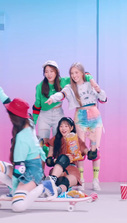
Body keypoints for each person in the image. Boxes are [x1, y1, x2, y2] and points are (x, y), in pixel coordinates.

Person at [0, 74, 57, 212]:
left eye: (10, 113)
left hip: (32, 173)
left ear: (14, 117)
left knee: (17, 206)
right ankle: (21, 189)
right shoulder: (27, 121)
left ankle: (43, 185)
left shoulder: (22, 138)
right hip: (25, 167)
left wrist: (15, 189)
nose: (8, 113)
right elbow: (6, 101)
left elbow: (19, 170)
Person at [46, 62, 107, 191]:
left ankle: (96, 179)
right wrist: (53, 98)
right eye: (72, 73)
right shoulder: (69, 87)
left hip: (94, 116)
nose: (74, 76)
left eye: (76, 73)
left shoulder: (90, 84)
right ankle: (82, 179)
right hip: (80, 116)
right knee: (79, 149)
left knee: (95, 150)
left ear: (82, 73)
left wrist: (98, 89)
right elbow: (61, 95)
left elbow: (103, 98)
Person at [33, 60, 94, 159]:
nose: (49, 74)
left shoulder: (63, 81)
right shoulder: (40, 86)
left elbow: (83, 75)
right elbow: (36, 106)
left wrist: (92, 80)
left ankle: (58, 170)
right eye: (46, 71)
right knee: (43, 145)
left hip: (58, 113)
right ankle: (41, 172)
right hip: (44, 116)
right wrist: (33, 123)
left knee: (60, 142)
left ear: (57, 71)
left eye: (51, 71)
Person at [44, 117, 88, 195]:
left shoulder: (76, 139)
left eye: (66, 126)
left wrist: (94, 146)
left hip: (72, 169)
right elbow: (49, 160)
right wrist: (56, 160)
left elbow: (88, 153)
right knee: (64, 158)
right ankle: (52, 180)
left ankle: (58, 190)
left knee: (69, 180)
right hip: (58, 169)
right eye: (61, 126)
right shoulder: (55, 139)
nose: (63, 128)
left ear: (71, 128)